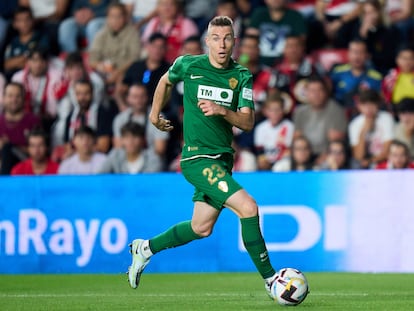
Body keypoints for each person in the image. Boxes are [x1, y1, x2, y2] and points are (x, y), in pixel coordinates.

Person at [127, 16, 279, 299]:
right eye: (216, 38)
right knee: (248, 207)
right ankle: (272, 280)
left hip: (222, 161)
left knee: (201, 227)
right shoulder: (188, 64)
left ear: (234, 41)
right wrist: (154, 113)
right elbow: (165, 80)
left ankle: (144, 248)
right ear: (207, 41)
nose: (222, 45)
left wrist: (223, 111)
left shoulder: (242, 75)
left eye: (227, 38)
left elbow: (247, 122)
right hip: (197, 159)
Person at [293, 76, 348, 165]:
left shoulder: (336, 111)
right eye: (312, 91)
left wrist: (324, 156)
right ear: (306, 93)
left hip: (327, 154)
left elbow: (336, 142)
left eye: (319, 90)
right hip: (305, 153)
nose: (316, 94)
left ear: (325, 92)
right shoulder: (300, 112)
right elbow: (297, 138)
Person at [112, 83, 169, 167]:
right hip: (126, 163)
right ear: (128, 98)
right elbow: (119, 147)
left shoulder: (159, 117)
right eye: (135, 97)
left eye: (142, 96)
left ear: (148, 97)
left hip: (151, 163)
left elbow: (160, 149)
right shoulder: (120, 119)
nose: (139, 100)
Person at [88, 3, 142, 87]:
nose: (115, 20)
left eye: (119, 16)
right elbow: (92, 59)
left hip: (124, 73)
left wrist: (118, 73)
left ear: (125, 18)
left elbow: (134, 59)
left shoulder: (133, 33)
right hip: (104, 73)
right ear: (107, 18)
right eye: (112, 16)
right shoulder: (101, 34)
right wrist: (100, 66)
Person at [11, 48, 62, 130]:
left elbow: (54, 104)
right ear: (28, 62)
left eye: (41, 61)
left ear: (46, 62)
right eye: (34, 61)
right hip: (23, 118)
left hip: (47, 120)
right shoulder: (18, 77)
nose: (38, 65)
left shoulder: (55, 76)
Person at [245, 0, 307, 67]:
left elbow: (300, 45)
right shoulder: (259, 14)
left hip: (286, 66)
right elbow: (249, 43)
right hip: (258, 65)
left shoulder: (295, 16)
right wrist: (242, 62)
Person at [330, 39, 382, 116]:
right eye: (354, 52)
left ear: (367, 55)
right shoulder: (337, 73)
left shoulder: (376, 78)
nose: (357, 56)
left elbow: (379, 102)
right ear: (348, 54)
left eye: (361, 52)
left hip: (366, 116)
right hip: (339, 114)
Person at [0, 82, 41, 174]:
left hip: (25, 166)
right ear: (3, 98)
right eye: (10, 96)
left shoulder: (33, 121)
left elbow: (40, 150)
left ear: (23, 99)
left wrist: (11, 146)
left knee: (7, 148)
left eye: (18, 96)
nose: (14, 100)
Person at [351, 0, 400, 75]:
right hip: (365, 65)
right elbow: (356, 50)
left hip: (384, 66)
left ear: (379, 12)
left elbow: (389, 55)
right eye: (366, 13)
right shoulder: (358, 28)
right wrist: (363, 34)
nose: (369, 16)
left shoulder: (390, 29)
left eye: (372, 12)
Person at [348, 89, 394, 169]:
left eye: (372, 104)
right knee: (356, 164)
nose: (368, 109)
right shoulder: (354, 124)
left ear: (378, 104)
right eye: (364, 105)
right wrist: (363, 133)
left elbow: (388, 151)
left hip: (384, 159)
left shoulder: (386, 118)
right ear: (359, 106)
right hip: (365, 162)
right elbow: (358, 156)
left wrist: (371, 161)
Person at [3, 6, 49, 80]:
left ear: (33, 20)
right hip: (14, 78)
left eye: (27, 19)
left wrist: (16, 62)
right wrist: (26, 58)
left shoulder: (40, 37)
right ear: (14, 24)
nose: (24, 23)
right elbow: (6, 64)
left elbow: (39, 61)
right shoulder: (13, 41)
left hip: (37, 77)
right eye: (20, 20)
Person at [254, 93, 294, 170]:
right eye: (271, 110)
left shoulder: (289, 126)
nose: (274, 113)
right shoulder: (260, 128)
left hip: (283, 161)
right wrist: (263, 162)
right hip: (266, 162)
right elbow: (260, 151)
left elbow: (288, 151)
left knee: (281, 166)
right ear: (265, 111)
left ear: (283, 110)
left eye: (278, 109)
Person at [382, 44, 414, 114]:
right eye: (404, 58)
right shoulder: (390, 76)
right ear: (397, 59)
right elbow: (384, 96)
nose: (407, 62)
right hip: (396, 112)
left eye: (411, 58)